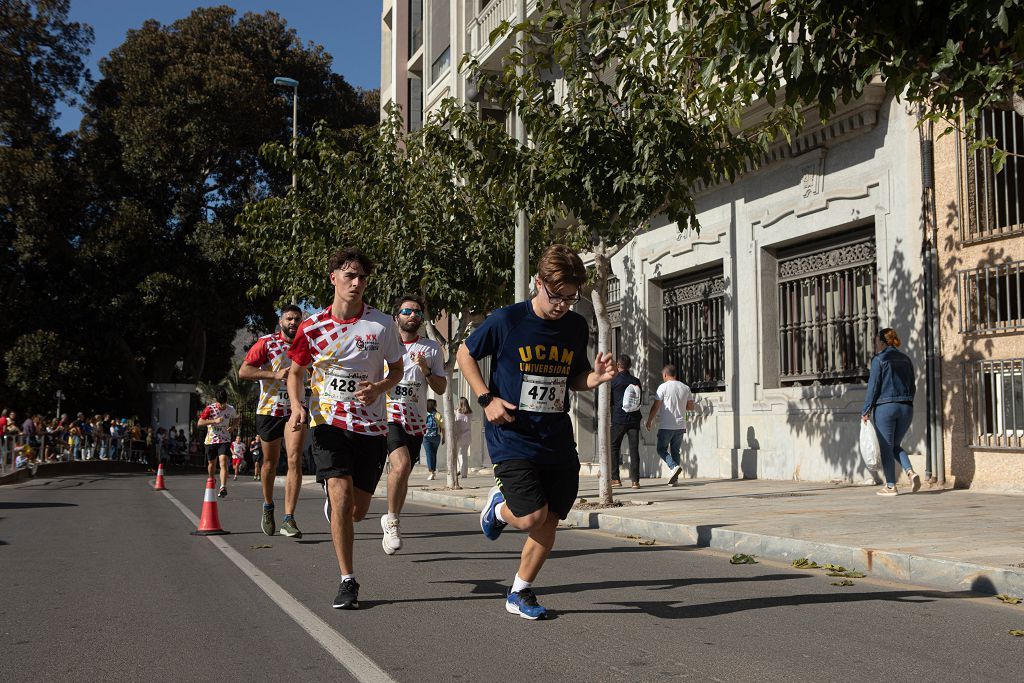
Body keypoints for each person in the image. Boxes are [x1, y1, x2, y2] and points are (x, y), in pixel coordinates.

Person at [456, 244, 617, 620]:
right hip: (512, 433)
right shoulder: (507, 320)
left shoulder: (576, 327)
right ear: (537, 283)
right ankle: (498, 510)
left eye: (570, 298)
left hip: (556, 436)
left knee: (550, 519)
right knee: (530, 516)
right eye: (555, 296)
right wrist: (485, 398)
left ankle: (520, 592)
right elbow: (465, 354)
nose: (562, 304)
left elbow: (574, 377)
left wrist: (596, 377)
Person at [286, 247, 404, 610]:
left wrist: (380, 388)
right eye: (349, 275)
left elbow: (397, 371)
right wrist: (296, 405)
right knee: (340, 495)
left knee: (358, 510)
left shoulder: (382, 324)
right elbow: (295, 373)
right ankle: (347, 580)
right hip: (328, 422)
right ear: (333, 278)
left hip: (369, 426)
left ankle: (340, 508)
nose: (356, 283)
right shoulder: (312, 327)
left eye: (361, 277)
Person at [382, 294, 447, 554]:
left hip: (416, 419)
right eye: (408, 311)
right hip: (387, 415)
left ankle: (391, 517)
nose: (413, 316)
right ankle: (393, 523)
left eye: (418, 313)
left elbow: (440, 388)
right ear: (396, 316)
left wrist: (427, 371)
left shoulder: (431, 349)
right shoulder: (383, 345)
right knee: (402, 464)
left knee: (403, 472)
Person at [240, 305, 308, 538]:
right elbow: (244, 371)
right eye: (289, 318)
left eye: (297, 319)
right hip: (269, 410)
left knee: (294, 458)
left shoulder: (307, 343)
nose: (293, 322)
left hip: (295, 410)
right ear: (281, 321)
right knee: (270, 461)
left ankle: (289, 518)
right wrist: (274, 375)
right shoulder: (267, 343)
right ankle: (268, 506)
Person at [862, 327, 918, 496]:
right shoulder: (906, 359)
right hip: (906, 407)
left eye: (876, 341)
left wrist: (866, 410)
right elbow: (913, 385)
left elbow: (873, 387)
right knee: (894, 445)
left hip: (886, 407)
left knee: (886, 447)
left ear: (881, 342)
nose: (876, 344)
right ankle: (910, 472)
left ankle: (891, 485)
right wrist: (907, 401)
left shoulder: (879, 359)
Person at [645, 364, 694, 486]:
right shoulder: (685, 388)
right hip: (680, 425)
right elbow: (691, 407)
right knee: (675, 451)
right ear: (675, 374)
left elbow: (656, 406)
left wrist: (649, 420)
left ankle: (673, 467)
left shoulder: (663, 387)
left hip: (666, 425)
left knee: (661, 449)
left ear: (665, 374)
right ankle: (675, 480)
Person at [196, 388, 238, 497]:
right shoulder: (210, 409)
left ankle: (223, 487)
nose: (222, 406)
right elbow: (199, 423)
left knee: (223, 461)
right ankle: (211, 478)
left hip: (224, 439)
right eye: (220, 403)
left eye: (224, 403)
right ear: (216, 401)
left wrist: (233, 427)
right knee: (211, 464)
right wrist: (214, 421)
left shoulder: (230, 409)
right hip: (211, 440)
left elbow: (237, 418)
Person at [610, 354, 643, 488]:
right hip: (634, 419)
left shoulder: (614, 381)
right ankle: (635, 481)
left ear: (618, 365)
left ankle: (616, 479)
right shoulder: (636, 381)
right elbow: (639, 399)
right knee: (634, 449)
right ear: (629, 366)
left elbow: (610, 401)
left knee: (614, 447)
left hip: (619, 419)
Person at [421, 399, 445, 480]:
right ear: (433, 405)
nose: (436, 406)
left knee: (429, 454)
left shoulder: (423, 413)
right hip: (436, 436)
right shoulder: (438, 414)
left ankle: (431, 472)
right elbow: (442, 427)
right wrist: (443, 437)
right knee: (434, 454)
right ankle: (433, 472)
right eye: (436, 404)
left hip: (426, 437)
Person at [454, 397, 473, 478]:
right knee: (464, 454)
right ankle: (464, 473)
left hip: (458, 434)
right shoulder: (471, 413)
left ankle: (459, 469)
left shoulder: (457, 412)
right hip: (467, 434)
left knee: (457, 453)